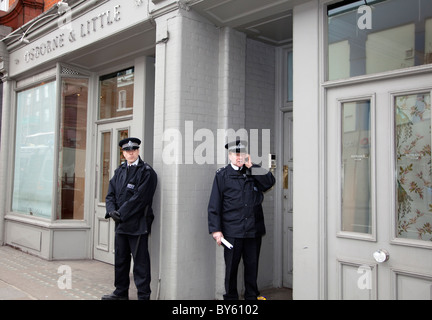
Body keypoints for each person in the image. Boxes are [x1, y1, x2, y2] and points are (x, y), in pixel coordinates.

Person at [208, 139, 275, 300]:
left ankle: (251, 298)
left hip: (253, 231)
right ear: (230, 156)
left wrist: (252, 166)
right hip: (232, 232)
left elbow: (269, 182)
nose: (239, 157)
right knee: (231, 269)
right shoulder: (222, 175)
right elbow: (214, 205)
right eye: (236, 154)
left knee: (252, 268)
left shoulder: (253, 171)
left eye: (242, 154)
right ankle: (231, 299)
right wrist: (216, 230)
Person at [102, 137, 157, 300]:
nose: (130, 153)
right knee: (120, 260)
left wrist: (121, 213)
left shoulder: (147, 172)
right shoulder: (119, 171)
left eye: (133, 150)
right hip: (120, 224)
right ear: (123, 153)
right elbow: (110, 194)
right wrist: (111, 211)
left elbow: (140, 198)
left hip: (138, 225)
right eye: (127, 151)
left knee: (140, 264)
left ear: (138, 151)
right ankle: (120, 293)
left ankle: (144, 296)